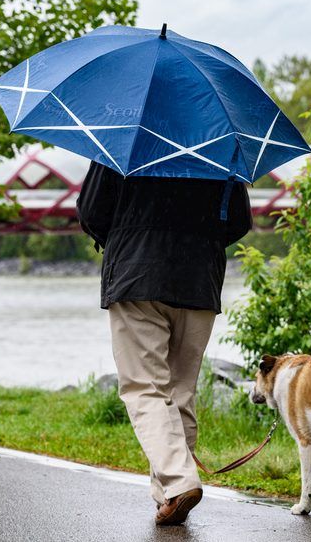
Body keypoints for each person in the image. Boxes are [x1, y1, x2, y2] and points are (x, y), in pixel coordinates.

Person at [76, 161, 252, 526]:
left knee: (145, 388)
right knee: (180, 391)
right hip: (199, 280)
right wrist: (199, 240)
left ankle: (179, 482)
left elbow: (92, 210)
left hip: (136, 274)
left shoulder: (126, 136)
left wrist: (124, 240)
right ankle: (169, 496)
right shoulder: (219, 145)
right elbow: (238, 221)